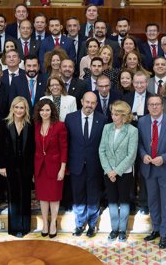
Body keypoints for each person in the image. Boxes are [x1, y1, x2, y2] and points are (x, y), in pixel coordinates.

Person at [138, 94, 166, 249]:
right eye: (151, 104)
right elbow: (140, 144)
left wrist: (164, 158)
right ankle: (156, 229)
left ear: (162, 106)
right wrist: (143, 155)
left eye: (157, 104)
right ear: (147, 107)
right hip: (149, 169)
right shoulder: (142, 122)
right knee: (153, 202)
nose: (154, 107)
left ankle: (165, 234)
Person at [64, 92, 106, 238]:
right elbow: (66, 143)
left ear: (96, 104)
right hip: (76, 164)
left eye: (93, 103)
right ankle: (79, 224)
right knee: (78, 195)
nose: (89, 105)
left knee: (94, 195)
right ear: (82, 101)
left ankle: (92, 225)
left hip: (95, 165)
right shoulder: (70, 118)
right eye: (87, 102)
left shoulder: (103, 119)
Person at [99, 100, 138, 241]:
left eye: (116, 114)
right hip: (108, 172)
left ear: (123, 115)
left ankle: (123, 230)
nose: (113, 117)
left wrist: (116, 171)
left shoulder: (132, 131)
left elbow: (131, 155)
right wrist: (109, 170)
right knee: (112, 201)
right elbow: (101, 150)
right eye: (112, 114)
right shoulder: (107, 128)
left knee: (124, 200)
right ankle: (114, 229)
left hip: (124, 173)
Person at [0, 97, 35, 238]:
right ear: (12, 108)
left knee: (25, 196)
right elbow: (0, 147)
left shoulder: (30, 125)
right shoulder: (4, 124)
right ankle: (14, 228)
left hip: (26, 166)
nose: (19, 110)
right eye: (17, 107)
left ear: (26, 109)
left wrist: (32, 170)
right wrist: (1, 166)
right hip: (10, 166)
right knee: (13, 197)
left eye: (22, 108)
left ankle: (25, 227)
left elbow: (32, 149)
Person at [33, 98, 68, 238]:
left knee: (54, 197)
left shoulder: (59, 126)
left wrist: (62, 168)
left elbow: (64, 149)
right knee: (42, 197)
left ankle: (53, 223)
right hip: (39, 167)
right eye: (42, 110)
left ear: (52, 110)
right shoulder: (36, 125)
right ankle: (45, 224)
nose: (44, 112)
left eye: (47, 110)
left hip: (55, 167)